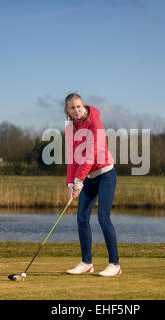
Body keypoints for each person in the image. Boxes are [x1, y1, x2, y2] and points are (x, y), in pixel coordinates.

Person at [63, 92, 121, 277]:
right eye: (72, 107)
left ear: (83, 106)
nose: (76, 110)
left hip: (105, 174)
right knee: (81, 218)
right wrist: (71, 183)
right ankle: (86, 262)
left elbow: (91, 154)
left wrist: (79, 179)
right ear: (67, 111)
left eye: (78, 106)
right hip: (87, 178)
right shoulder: (71, 128)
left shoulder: (95, 122)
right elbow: (72, 158)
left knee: (103, 218)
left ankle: (115, 264)